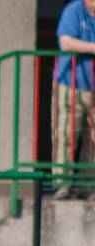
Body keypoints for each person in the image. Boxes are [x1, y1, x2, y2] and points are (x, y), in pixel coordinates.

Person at [53, 0, 95, 200]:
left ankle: (90, 187)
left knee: (92, 139)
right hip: (70, 85)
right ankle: (63, 184)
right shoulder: (74, 10)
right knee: (67, 134)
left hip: (92, 86)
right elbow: (65, 42)